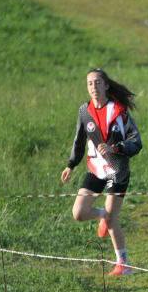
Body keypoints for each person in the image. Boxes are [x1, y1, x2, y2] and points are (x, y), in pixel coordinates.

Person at [60, 68, 142, 276]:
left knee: (112, 220)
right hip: (96, 170)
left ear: (105, 85)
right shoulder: (84, 111)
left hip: (117, 171)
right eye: (89, 83)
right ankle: (103, 216)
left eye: (97, 82)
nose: (93, 87)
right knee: (78, 213)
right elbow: (79, 142)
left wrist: (115, 148)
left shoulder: (119, 111)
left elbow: (136, 142)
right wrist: (71, 164)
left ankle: (123, 264)